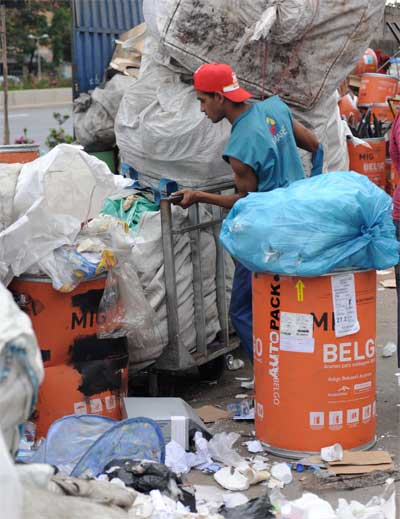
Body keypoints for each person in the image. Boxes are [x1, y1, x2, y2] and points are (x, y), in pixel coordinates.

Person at [173, 63, 320, 361]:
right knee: (291, 302)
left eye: (202, 100)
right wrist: (309, 191)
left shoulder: (239, 148)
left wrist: (198, 195)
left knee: (242, 310)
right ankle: (298, 369)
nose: (201, 109)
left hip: (268, 234)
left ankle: (272, 378)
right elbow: (315, 145)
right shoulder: (274, 110)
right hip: (301, 220)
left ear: (219, 97)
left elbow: (245, 200)